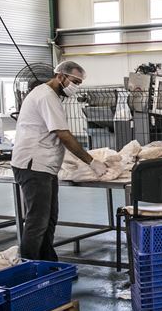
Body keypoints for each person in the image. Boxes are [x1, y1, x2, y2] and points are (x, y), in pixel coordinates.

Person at [11, 61, 107, 261]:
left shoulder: (50, 96)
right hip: (34, 166)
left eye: (79, 83)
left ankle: (47, 263)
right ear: (60, 76)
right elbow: (63, 135)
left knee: (48, 219)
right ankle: (30, 266)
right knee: (37, 221)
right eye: (75, 82)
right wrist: (91, 162)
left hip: (45, 167)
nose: (76, 87)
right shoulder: (46, 96)